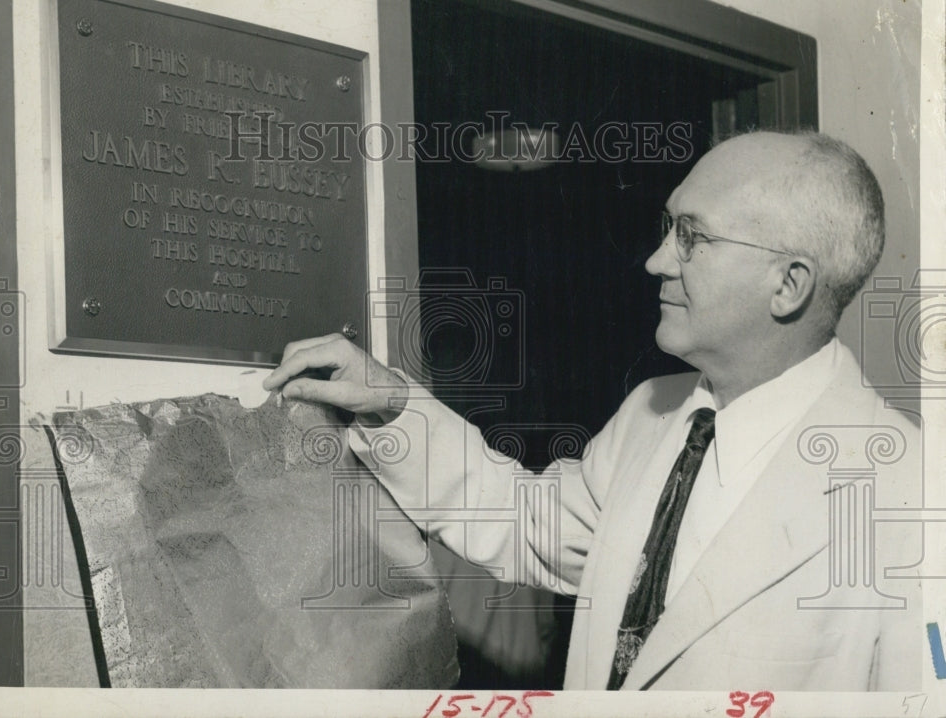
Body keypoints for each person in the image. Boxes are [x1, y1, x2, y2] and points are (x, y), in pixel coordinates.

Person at [263, 131, 923, 690]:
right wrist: (394, 402)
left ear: (788, 284)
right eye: (668, 228)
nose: (656, 260)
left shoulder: (911, 494)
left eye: (693, 238)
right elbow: (524, 523)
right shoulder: (652, 413)